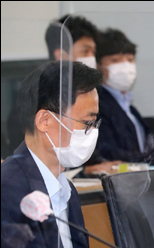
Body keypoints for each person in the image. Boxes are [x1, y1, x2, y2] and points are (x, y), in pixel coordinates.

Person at [1, 62, 105, 248]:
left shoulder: (66, 190)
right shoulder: (8, 188)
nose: (91, 133)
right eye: (86, 123)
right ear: (44, 120)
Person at [88, 28, 154, 168]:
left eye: (130, 60)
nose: (125, 66)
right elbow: (108, 153)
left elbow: (144, 149)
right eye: (115, 60)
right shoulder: (96, 104)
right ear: (98, 65)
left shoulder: (131, 109)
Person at [7, 15, 99, 157]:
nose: (92, 58)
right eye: (85, 51)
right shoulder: (34, 100)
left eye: (93, 52)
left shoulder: (92, 97)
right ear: (61, 55)